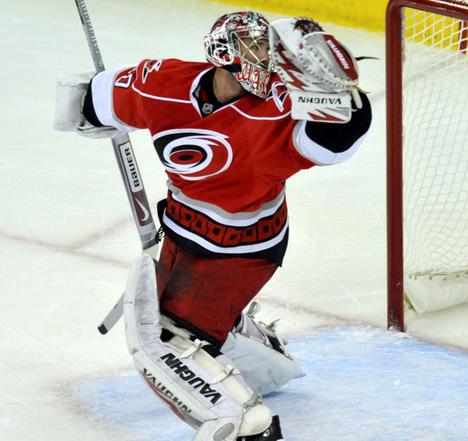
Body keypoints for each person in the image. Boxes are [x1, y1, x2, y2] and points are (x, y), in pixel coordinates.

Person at [54, 11, 372, 441]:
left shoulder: (279, 109)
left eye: (267, 48)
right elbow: (90, 100)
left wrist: (346, 101)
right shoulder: (164, 84)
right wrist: (89, 112)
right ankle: (265, 358)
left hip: (244, 248)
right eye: (254, 47)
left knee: (168, 338)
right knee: (176, 317)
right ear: (224, 54)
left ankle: (248, 424)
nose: (266, 59)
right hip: (182, 230)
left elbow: (336, 139)